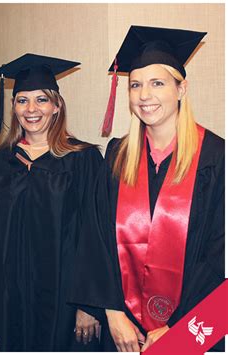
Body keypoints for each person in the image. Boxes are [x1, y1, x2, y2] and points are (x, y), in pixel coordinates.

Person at [68, 26, 225, 352]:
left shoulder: (216, 158)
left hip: (190, 324)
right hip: (123, 329)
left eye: (157, 83)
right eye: (135, 85)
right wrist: (112, 313)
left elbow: (218, 256)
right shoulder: (117, 155)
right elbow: (96, 237)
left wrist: (177, 328)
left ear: (181, 89)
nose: (143, 95)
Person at [0, 53, 104, 351]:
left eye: (42, 100)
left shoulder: (83, 160)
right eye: (22, 100)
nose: (31, 109)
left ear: (57, 106)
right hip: (8, 300)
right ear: (13, 106)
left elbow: (95, 236)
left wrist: (89, 305)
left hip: (66, 301)